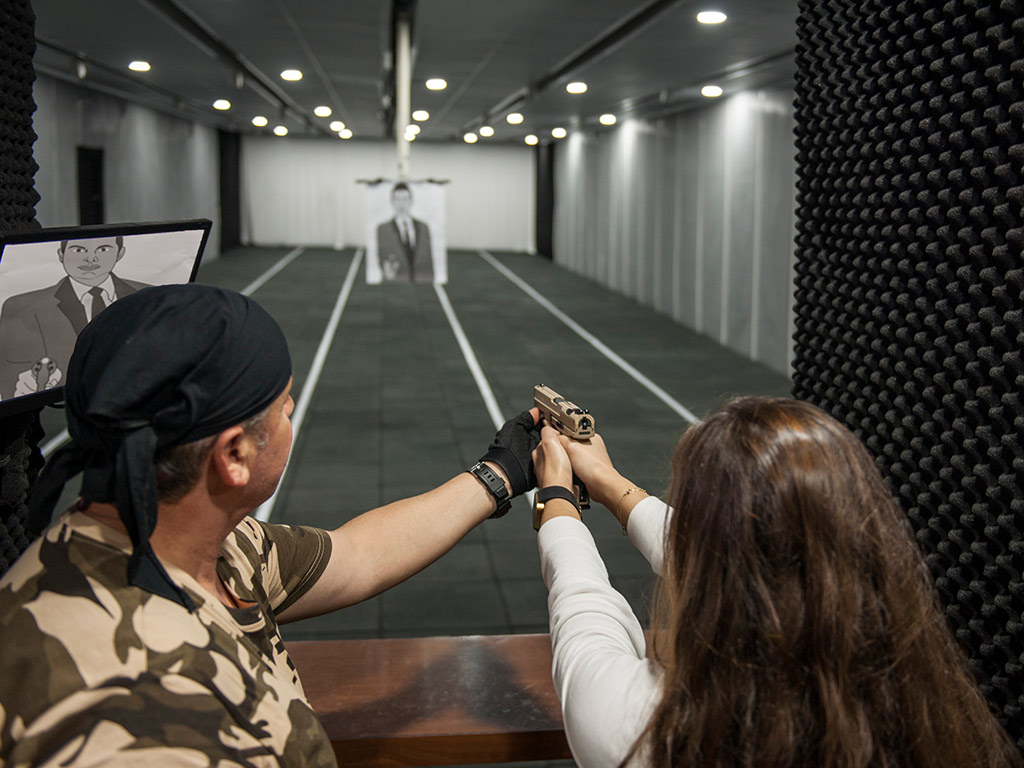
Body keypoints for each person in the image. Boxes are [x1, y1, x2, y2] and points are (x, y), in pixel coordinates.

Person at [0, 283, 540, 767]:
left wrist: (498, 474)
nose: (292, 411)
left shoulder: (182, 537)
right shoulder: (134, 721)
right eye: (283, 407)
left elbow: (357, 557)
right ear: (234, 455)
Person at [531, 396, 1021, 768]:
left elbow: (584, 612)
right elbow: (723, 550)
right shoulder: (926, 706)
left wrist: (557, 494)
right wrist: (607, 481)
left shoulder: (650, 728)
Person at [0, 235, 150, 400]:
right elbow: (10, 379)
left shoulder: (151, 296)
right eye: (78, 250)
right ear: (61, 254)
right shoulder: (22, 307)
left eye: (103, 249)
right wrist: (26, 387)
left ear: (120, 253)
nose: (90, 259)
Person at [375, 182, 434, 283]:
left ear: (411, 201)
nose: (401, 203)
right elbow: (382, 259)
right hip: (396, 283)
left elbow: (429, 262)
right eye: (397, 199)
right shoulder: (383, 229)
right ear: (392, 202)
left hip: (421, 282)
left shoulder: (424, 228)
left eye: (405, 199)